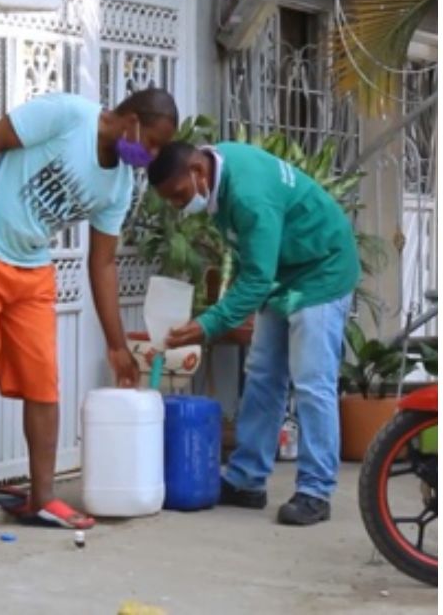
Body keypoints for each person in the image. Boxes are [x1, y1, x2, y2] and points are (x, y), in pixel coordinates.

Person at [0, 88, 179, 534]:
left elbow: (102, 263)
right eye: (153, 142)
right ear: (132, 120)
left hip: (30, 266)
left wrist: (117, 345)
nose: (152, 155)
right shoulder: (67, 116)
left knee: (43, 381)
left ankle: (42, 498)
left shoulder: (120, 187)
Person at [147, 140, 359, 526]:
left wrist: (208, 324)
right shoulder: (219, 170)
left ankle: (315, 491)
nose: (179, 206)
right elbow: (255, 263)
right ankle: (247, 480)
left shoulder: (248, 195)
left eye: (179, 195)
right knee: (262, 375)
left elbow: (257, 278)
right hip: (284, 272)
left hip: (322, 269)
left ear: (198, 170)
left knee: (312, 383)